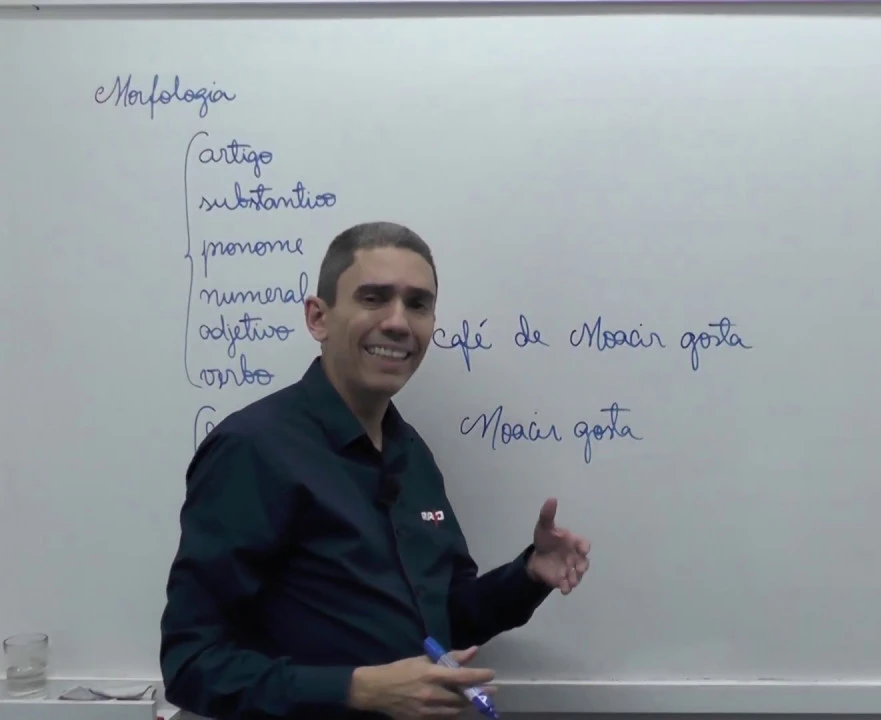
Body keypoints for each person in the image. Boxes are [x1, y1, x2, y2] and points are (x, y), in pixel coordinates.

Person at [160, 221, 592, 720]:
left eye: (418, 304)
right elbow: (193, 664)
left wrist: (529, 575)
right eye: (373, 298)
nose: (399, 322)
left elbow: (444, 618)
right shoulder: (254, 449)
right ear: (318, 317)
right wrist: (354, 689)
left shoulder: (411, 453)